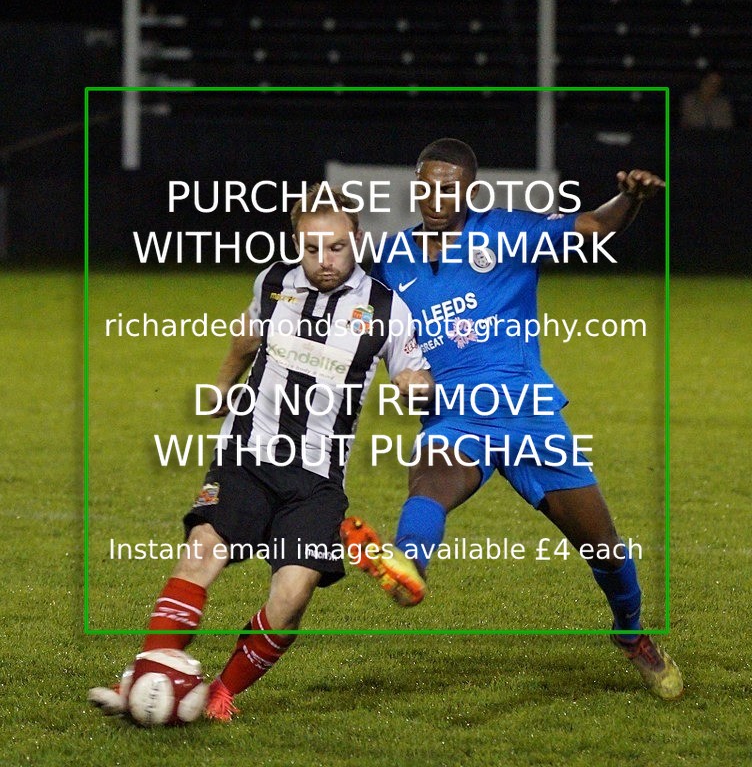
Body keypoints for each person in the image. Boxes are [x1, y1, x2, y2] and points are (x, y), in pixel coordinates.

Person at [341, 138, 683, 701]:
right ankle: (408, 567)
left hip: (528, 415)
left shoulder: (507, 231)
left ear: (471, 190)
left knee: (605, 549)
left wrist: (630, 199)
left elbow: (592, 228)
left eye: (448, 187)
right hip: (456, 414)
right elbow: (353, 304)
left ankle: (631, 633)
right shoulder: (393, 255)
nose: (435, 196)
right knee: (430, 476)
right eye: (425, 185)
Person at [89, 184, 433, 721]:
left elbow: (414, 373)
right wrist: (223, 388)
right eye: (312, 248)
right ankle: (149, 674)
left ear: (358, 240)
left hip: (318, 477)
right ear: (296, 242)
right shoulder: (272, 282)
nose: (324, 261)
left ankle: (218, 691)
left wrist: (415, 384)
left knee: (293, 595)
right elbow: (246, 338)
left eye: (337, 248)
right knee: (203, 548)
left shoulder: (388, 308)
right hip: (245, 456)